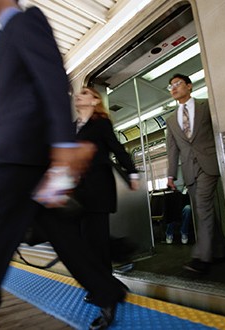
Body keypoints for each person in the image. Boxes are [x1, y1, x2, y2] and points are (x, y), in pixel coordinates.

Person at [0, 1, 125, 330]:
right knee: (62, 235)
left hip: (19, 160)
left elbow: (52, 78)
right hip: (25, 160)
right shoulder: (4, 34)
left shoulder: (27, 20)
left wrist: (62, 144)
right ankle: (107, 289)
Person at [74, 87, 140, 301]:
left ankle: (104, 286)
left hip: (99, 188)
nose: (78, 95)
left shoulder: (101, 123)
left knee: (97, 239)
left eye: (84, 93)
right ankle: (120, 252)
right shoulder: (72, 127)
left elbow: (117, 148)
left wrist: (132, 172)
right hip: (78, 192)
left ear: (95, 100)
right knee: (85, 239)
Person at [166, 73, 225, 274]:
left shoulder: (206, 106)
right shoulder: (170, 119)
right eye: (171, 86)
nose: (174, 88)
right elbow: (172, 148)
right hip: (189, 169)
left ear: (190, 86)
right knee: (203, 209)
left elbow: (219, 130)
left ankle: (201, 257)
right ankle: (221, 252)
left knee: (202, 206)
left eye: (177, 84)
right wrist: (170, 175)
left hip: (209, 162)